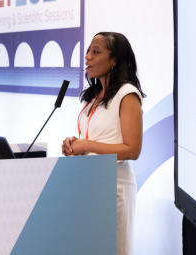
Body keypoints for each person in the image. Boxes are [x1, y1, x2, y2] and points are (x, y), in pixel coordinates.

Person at [62, 32, 146, 255]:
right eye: (88, 50)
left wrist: (87, 146)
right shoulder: (94, 94)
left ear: (115, 59)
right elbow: (96, 138)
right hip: (88, 185)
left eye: (96, 51)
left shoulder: (127, 94)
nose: (88, 57)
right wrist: (75, 144)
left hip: (114, 188)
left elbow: (132, 149)